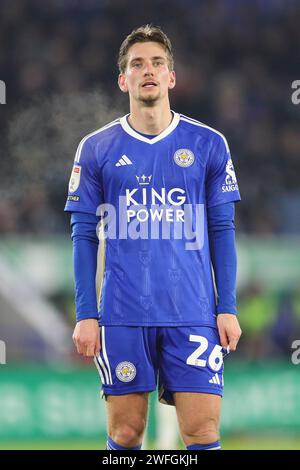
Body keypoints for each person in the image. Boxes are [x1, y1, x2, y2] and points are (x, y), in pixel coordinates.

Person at [65, 24, 242, 451]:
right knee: (125, 434)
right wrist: (86, 313)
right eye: (137, 64)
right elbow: (84, 235)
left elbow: (222, 230)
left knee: (202, 433)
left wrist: (227, 307)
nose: (149, 71)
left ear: (172, 77)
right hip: (123, 314)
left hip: (193, 312)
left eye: (158, 63)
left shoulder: (208, 144)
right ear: (123, 79)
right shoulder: (96, 148)